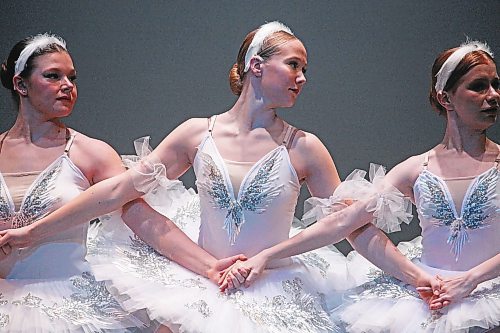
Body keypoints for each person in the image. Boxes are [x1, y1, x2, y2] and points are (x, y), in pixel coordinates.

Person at [0, 21, 406, 332]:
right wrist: (32, 232)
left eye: (305, 69)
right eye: (294, 65)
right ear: (256, 66)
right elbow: (118, 192)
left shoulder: (304, 147)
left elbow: (351, 225)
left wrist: (416, 277)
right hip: (201, 281)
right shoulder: (198, 133)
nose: (302, 77)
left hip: (273, 283)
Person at [223, 40, 500, 332]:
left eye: (496, 84)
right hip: (431, 294)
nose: (493, 95)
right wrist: (266, 256)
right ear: (446, 97)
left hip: (489, 294)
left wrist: (472, 280)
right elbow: (342, 221)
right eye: (479, 86)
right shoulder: (417, 168)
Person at [0, 33, 243, 333]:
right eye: (53, 76)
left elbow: (141, 218)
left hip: (66, 304)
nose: (68, 86)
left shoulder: (90, 153)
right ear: (20, 84)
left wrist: (208, 266)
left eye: (72, 78)